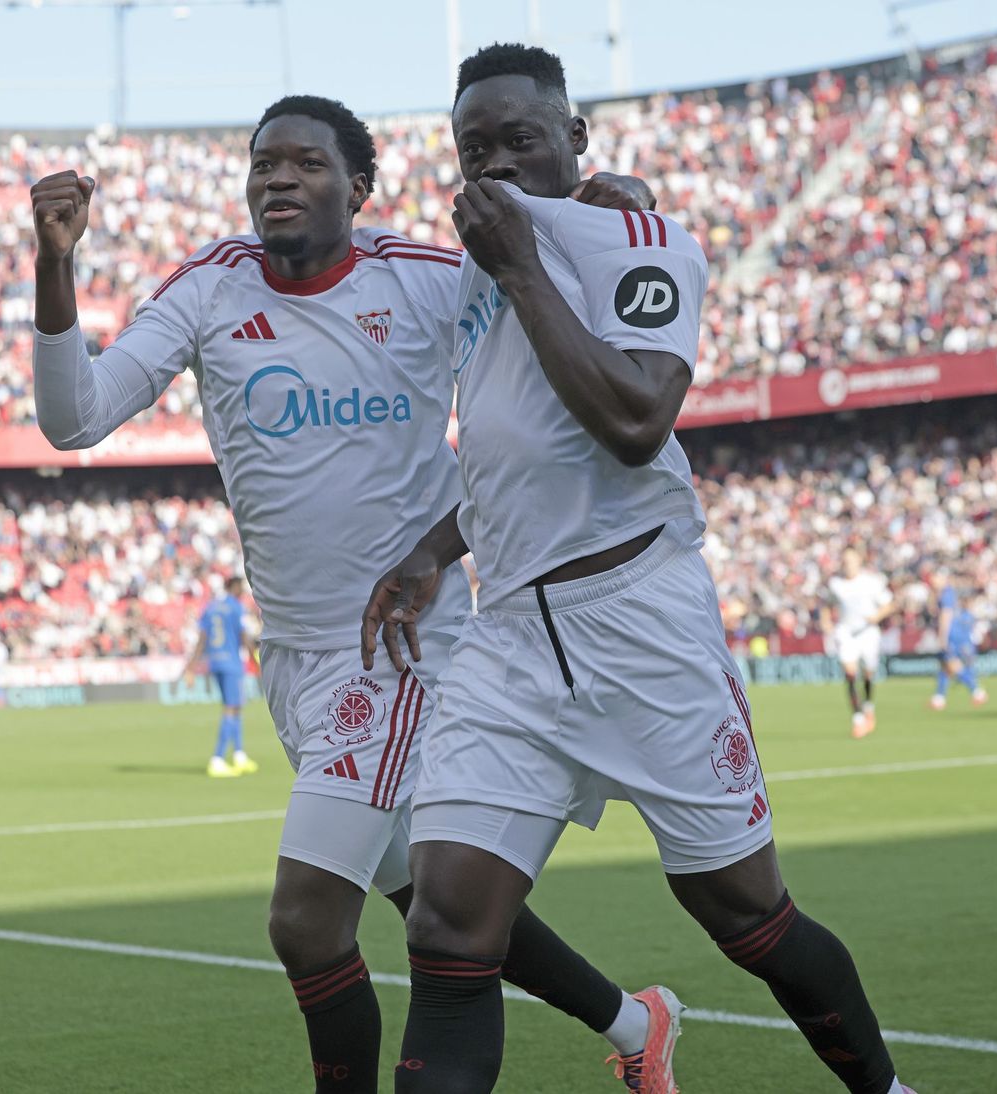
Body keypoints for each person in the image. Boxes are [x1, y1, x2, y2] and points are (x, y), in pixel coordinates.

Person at [30, 94, 681, 1093]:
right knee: (441, 900)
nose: (279, 179)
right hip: (291, 656)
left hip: (404, 648)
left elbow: (556, 282)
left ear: (359, 189)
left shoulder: (422, 278)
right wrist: (57, 262)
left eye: (306, 163)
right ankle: (638, 1025)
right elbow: (73, 421)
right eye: (264, 164)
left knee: (304, 919)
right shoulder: (211, 286)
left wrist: (612, 214)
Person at [362, 44, 911, 1094]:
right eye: (474, 150)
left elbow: (633, 418)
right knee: (447, 923)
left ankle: (885, 1089)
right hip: (512, 638)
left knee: (746, 915)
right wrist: (434, 550)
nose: (497, 165)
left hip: (641, 620)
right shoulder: (476, 280)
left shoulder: (642, 244)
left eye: (520, 138)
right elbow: (510, 451)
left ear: (575, 140)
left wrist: (525, 262)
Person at [181, 575, 261, 777]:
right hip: (232, 663)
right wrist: (256, 663)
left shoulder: (210, 607)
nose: (243, 591)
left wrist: (191, 667)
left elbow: (202, 639)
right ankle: (217, 759)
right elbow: (244, 638)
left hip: (215, 662)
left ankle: (239, 755)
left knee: (235, 706)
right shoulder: (236, 607)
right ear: (233, 587)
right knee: (231, 709)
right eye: (240, 588)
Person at [827, 547, 895, 738]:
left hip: (868, 632)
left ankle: (868, 706)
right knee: (849, 672)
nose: (847, 564)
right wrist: (826, 622)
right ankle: (857, 719)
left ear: (859, 561)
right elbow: (827, 603)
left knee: (868, 672)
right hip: (846, 632)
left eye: (851, 560)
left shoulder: (871, 582)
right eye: (845, 560)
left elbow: (889, 604)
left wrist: (876, 616)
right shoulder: (836, 583)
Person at [927, 569, 986, 711]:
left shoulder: (946, 594)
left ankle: (976, 690)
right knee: (945, 666)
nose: (932, 582)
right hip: (955, 635)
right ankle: (939, 697)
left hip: (952, 636)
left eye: (935, 578)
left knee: (953, 665)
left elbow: (945, 616)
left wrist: (943, 637)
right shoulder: (944, 593)